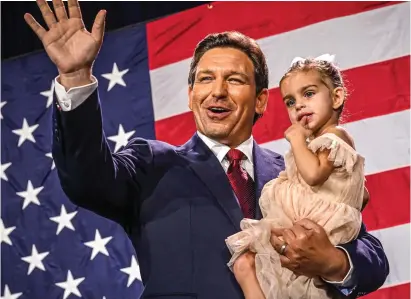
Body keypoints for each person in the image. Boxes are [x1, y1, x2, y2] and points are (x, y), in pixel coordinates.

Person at [24, 1, 389, 298]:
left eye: (234, 80)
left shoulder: (293, 173)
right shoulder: (153, 164)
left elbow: (371, 255)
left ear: (261, 101)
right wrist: (75, 78)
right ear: (191, 96)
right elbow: (85, 177)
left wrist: (332, 262)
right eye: (205, 79)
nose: (217, 91)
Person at [225, 55, 371, 299]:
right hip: (304, 226)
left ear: (336, 97)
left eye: (309, 94)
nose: (299, 105)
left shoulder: (334, 138)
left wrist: (295, 140)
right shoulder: (321, 146)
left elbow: (313, 175)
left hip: (315, 231)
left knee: (252, 266)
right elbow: (362, 195)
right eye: (291, 102)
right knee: (246, 265)